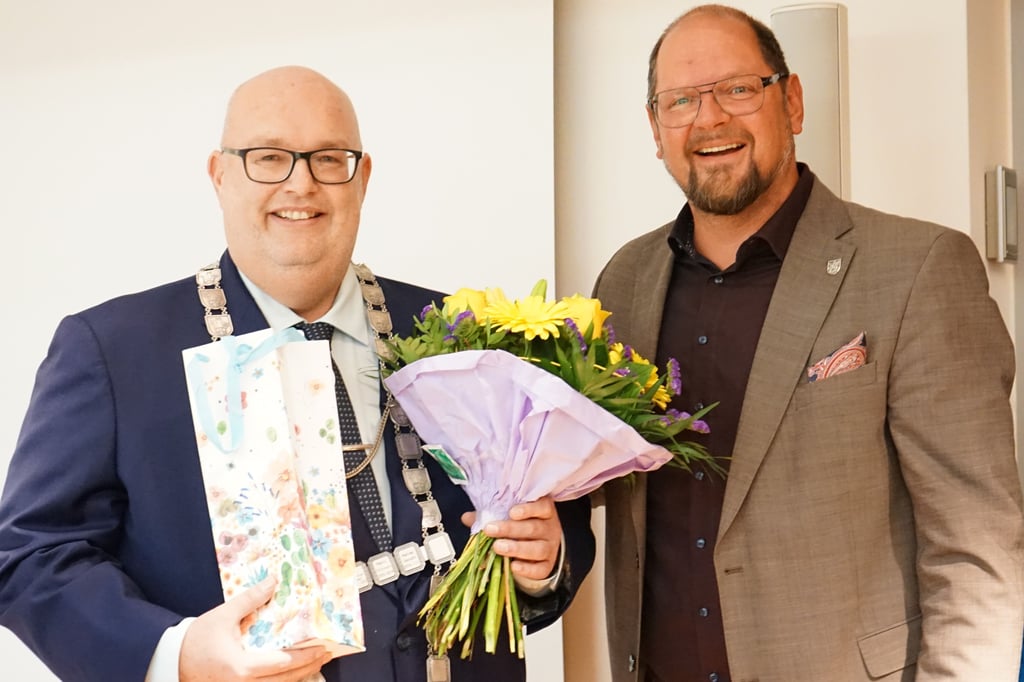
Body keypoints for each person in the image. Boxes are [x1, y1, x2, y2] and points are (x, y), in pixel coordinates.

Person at [0, 65, 594, 682]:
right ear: (220, 175)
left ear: (361, 178)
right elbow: (30, 558)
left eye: (328, 159)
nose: (301, 184)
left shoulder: (459, 330)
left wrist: (545, 563)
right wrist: (177, 655)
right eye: (268, 157)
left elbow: (554, 519)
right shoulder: (111, 350)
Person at [594, 5, 1024, 681]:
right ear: (656, 128)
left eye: (738, 88)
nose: (709, 120)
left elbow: (977, 549)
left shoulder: (916, 267)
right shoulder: (624, 281)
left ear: (790, 102)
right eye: (681, 100)